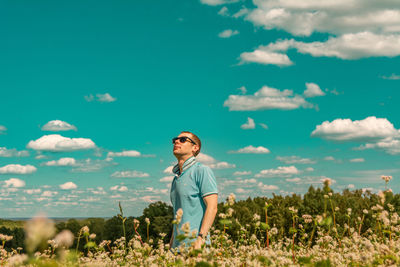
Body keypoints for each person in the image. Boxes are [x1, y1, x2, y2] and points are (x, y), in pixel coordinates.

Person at [169, 131, 218, 249]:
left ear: (195, 148)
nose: (176, 141)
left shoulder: (202, 171)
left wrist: (201, 239)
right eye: (175, 139)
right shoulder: (176, 178)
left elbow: (212, 207)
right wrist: (170, 246)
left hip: (196, 248)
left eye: (182, 140)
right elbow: (178, 216)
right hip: (177, 250)